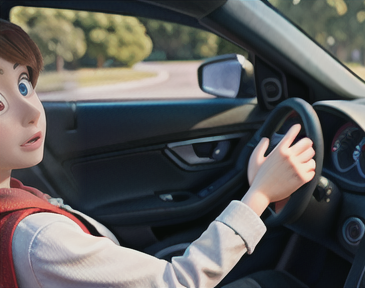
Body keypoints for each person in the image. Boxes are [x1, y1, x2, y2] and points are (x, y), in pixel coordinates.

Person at [0, 20, 316, 288]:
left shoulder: (14, 199)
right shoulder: (37, 240)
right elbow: (177, 281)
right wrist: (260, 193)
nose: (31, 111)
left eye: (24, 84)